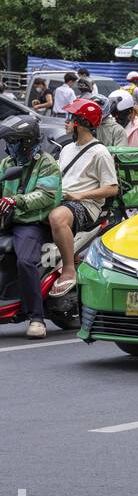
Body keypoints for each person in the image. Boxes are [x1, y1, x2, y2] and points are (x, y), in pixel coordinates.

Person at [0, 115, 62, 339]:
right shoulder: (8, 163)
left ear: (25, 141)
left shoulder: (46, 163)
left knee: (25, 261)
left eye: (13, 141)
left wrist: (16, 200)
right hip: (6, 221)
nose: (9, 146)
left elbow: (47, 195)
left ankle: (36, 317)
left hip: (30, 223)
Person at [48, 98, 118, 298]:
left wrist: (80, 195)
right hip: (63, 200)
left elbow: (111, 188)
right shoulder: (67, 149)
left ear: (80, 123)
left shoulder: (100, 152)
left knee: (57, 217)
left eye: (69, 118)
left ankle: (69, 269)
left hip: (85, 205)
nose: (65, 122)